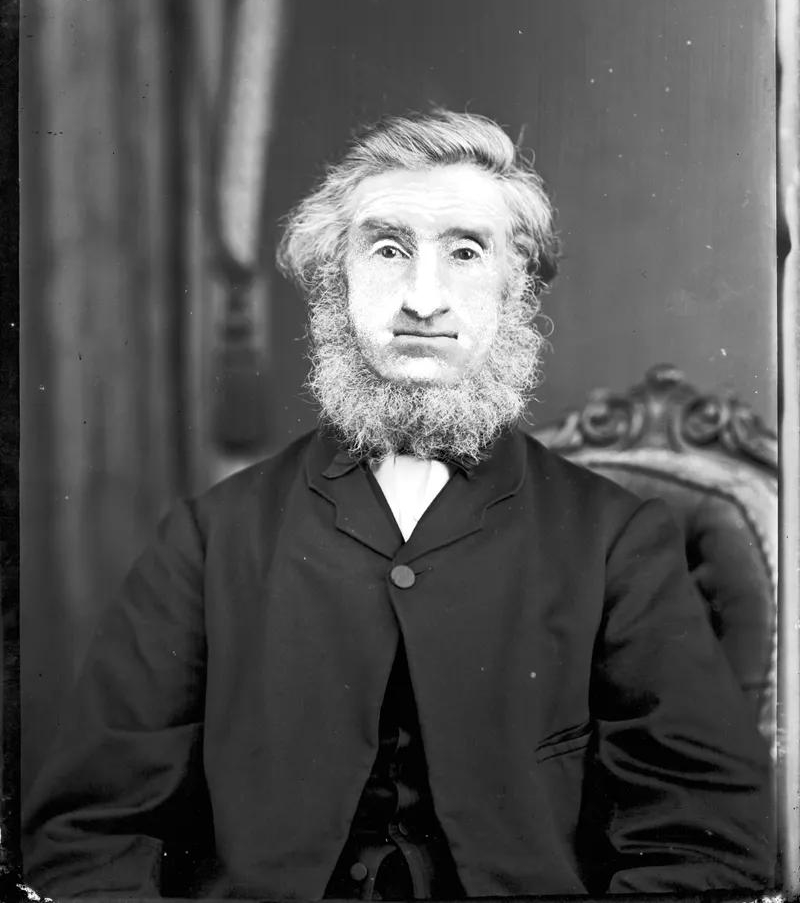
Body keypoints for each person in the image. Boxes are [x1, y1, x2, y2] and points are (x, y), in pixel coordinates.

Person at [23, 110, 775, 899]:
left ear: (515, 283)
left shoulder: (616, 539)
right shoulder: (209, 538)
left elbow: (708, 846)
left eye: (465, 251)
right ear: (335, 282)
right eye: (387, 250)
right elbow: (86, 839)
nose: (423, 298)